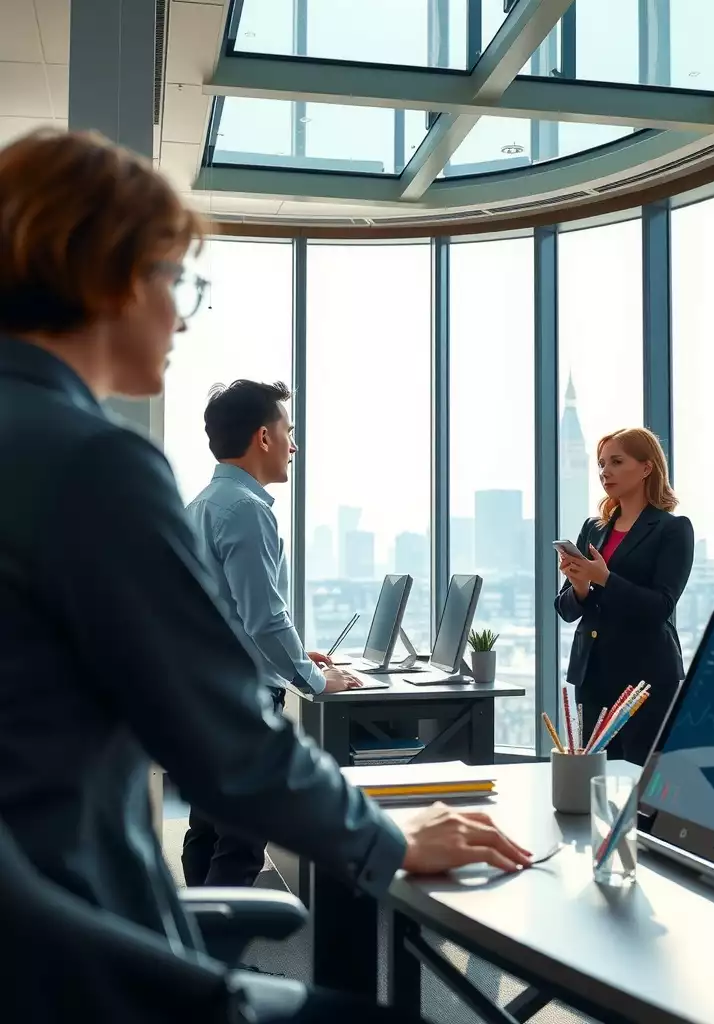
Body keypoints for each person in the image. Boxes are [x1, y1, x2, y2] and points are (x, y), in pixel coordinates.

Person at [0, 128, 530, 1022]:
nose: (181, 317)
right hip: (78, 966)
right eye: (176, 281)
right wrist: (388, 838)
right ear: (107, 272)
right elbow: (227, 743)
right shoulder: (91, 465)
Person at [182, 379, 360, 888]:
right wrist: (316, 679)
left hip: (206, 690)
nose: (294, 446)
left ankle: (196, 935)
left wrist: (298, 654)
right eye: (289, 432)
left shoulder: (204, 504)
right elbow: (264, 619)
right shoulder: (247, 510)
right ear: (264, 437)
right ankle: (220, 940)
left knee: (208, 829)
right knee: (241, 842)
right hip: (240, 699)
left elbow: (230, 613)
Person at [555, 427, 694, 765]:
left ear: (646, 467)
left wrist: (604, 578)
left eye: (616, 462)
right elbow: (566, 609)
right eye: (602, 464)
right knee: (593, 773)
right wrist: (581, 586)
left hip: (645, 679)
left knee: (638, 777)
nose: (606, 472)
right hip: (592, 675)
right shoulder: (593, 528)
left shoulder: (673, 529)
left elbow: (660, 607)